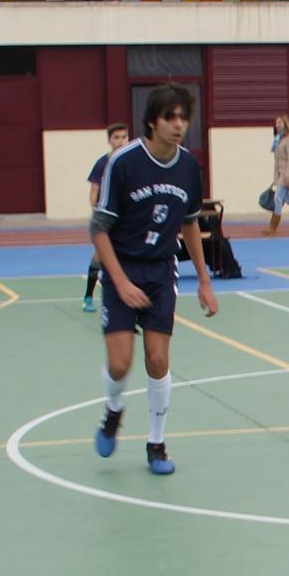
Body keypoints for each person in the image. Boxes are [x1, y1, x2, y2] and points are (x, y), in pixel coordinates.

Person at [90, 85, 218, 475]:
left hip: (161, 271)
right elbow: (98, 229)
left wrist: (204, 279)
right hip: (121, 269)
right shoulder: (124, 163)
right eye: (171, 118)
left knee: (159, 359)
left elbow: (190, 222)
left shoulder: (187, 167)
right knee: (119, 364)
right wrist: (121, 283)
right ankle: (113, 409)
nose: (179, 125)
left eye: (184, 118)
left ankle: (157, 443)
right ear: (152, 121)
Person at [82, 123, 130, 313]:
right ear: (110, 140)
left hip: (127, 218)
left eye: (124, 137)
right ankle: (88, 296)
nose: (120, 141)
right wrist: (98, 214)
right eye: (116, 137)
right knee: (100, 257)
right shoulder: (103, 163)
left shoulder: (133, 162)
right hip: (108, 219)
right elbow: (94, 191)